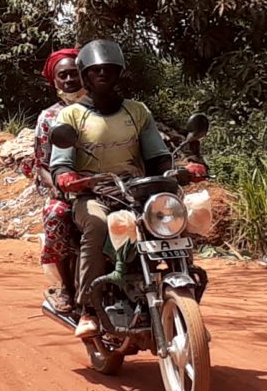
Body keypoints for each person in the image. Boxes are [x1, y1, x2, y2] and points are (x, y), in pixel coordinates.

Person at [49, 40, 184, 338]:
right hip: (92, 194)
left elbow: (157, 156)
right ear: (85, 74)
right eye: (95, 70)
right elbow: (60, 164)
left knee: (172, 220)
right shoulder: (71, 115)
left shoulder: (137, 111)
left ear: (119, 73)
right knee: (97, 225)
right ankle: (88, 308)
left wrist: (177, 171)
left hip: (135, 192)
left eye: (109, 69)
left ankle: (181, 290)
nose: (102, 74)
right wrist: (67, 177)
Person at [30, 48, 85, 314]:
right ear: (54, 81)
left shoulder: (102, 109)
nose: (70, 80)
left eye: (75, 73)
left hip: (108, 186)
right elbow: (41, 164)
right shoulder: (48, 118)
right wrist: (58, 187)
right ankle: (66, 288)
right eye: (63, 75)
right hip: (67, 190)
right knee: (56, 214)